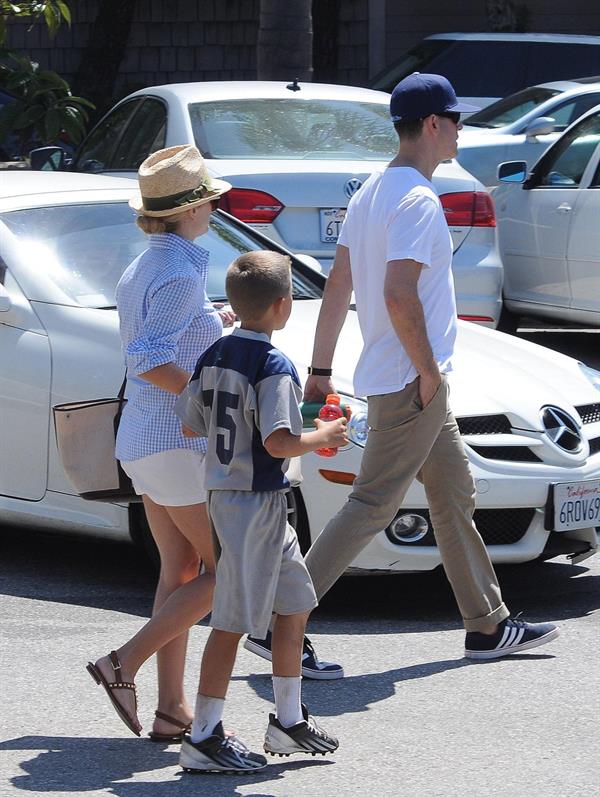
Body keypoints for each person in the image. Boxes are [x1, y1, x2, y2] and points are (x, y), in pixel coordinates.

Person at [299, 73, 558, 660]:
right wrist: (428, 370)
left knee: (452, 492)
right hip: (410, 380)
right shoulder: (416, 198)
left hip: (410, 378)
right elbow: (397, 293)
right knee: (373, 503)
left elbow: (339, 282)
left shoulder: (370, 191)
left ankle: (487, 624)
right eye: (457, 121)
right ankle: (279, 617)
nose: (462, 132)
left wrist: (320, 366)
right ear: (435, 125)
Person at [173, 251, 346, 772]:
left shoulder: (214, 354)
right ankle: (203, 735)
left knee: (294, 604)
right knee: (233, 621)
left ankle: (288, 721)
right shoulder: (273, 364)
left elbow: (189, 424)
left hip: (246, 500)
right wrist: (323, 435)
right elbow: (277, 442)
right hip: (252, 503)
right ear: (282, 306)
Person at [86, 145, 236, 739]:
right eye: (211, 199)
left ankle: (171, 711)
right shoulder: (177, 270)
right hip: (174, 441)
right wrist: (208, 397)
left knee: (180, 572)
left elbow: (161, 342)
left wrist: (211, 325)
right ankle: (123, 662)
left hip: (146, 440)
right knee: (234, 573)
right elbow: (148, 357)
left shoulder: (149, 263)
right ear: (194, 207)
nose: (217, 206)